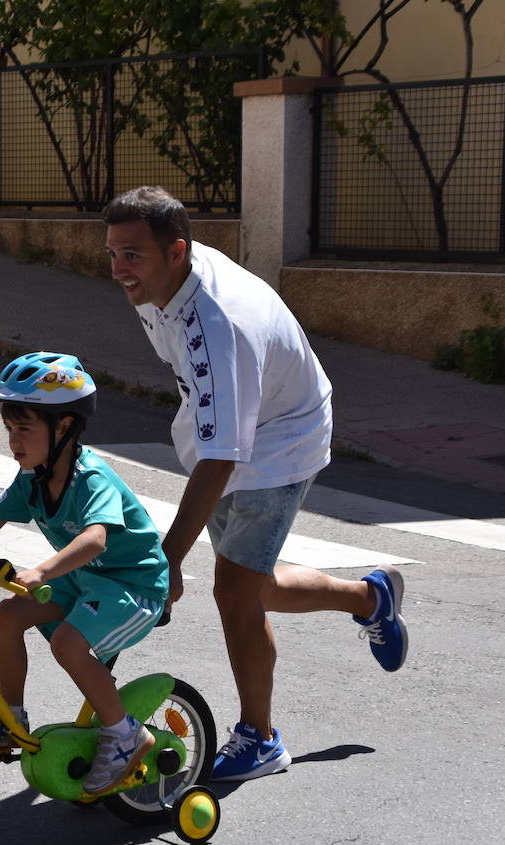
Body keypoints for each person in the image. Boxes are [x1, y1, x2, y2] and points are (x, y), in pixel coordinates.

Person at [102, 186, 408, 782]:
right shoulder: (159, 280)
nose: (118, 269)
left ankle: (260, 738)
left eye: (132, 255)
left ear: (176, 251)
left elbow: (223, 459)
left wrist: (165, 565)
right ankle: (369, 598)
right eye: (112, 253)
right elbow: (214, 428)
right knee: (254, 582)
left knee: (234, 590)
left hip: (282, 436)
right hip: (229, 420)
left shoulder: (221, 324)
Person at [0, 352, 169, 796]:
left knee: (69, 644)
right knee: (10, 614)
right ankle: (11, 717)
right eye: (9, 429)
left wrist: (41, 571)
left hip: (134, 585)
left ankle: (126, 735)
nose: (14, 440)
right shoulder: (32, 477)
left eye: (24, 429)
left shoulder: (91, 479)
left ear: (64, 427)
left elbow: (95, 540)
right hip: (88, 580)